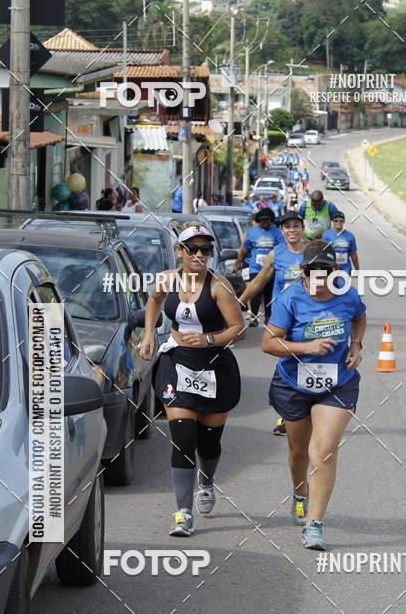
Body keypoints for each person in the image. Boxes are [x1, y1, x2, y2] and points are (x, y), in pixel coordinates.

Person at [139, 224, 245, 537]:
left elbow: (238, 328)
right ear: (180, 252)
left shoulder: (219, 287)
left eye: (205, 249)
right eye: (192, 249)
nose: (199, 255)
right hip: (176, 364)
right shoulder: (167, 279)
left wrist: (209, 339)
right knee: (183, 439)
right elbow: (154, 300)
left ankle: (207, 481)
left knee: (209, 442)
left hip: (213, 367)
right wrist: (149, 334)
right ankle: (183, 513)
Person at [262, 241, 366, 550]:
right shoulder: (290, 298)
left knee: (323, 451)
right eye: (311, 272)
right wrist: (305, 348)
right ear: (302, 273)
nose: (317, 278)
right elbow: (269, 343)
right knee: (298, 452)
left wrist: (357, 344)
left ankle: (314, 525)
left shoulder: (347, 295)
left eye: (324, 271)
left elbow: (359, 317)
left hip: (337, 383)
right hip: (294, 383)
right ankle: (299, 490)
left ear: (334, 272)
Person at [238, 210, 310, 437]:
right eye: (287, 226)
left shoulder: (314, 252)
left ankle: (310, 412)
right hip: (282, 319)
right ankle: (287, 416)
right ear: (282, 230)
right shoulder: (275, 254)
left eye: (295, 226)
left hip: (309, 317)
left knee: (308, 363)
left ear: (302, 228)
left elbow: (332, 282)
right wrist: (237, 303)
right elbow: (258, 282)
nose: (291, 230)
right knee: (286, 365)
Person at [233, 207, 285, 327]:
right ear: (258, 220)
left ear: (271, 220)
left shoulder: (276, 232)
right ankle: (254, 317)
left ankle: (268, 318)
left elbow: (281, 249)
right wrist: (237, 264)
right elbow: (244, 251)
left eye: (267, 220)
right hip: (255, 267)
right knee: (255, 292)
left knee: (269, 293)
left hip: (271, 268)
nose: (265, 223)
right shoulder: (252, 232)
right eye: (262, 221)